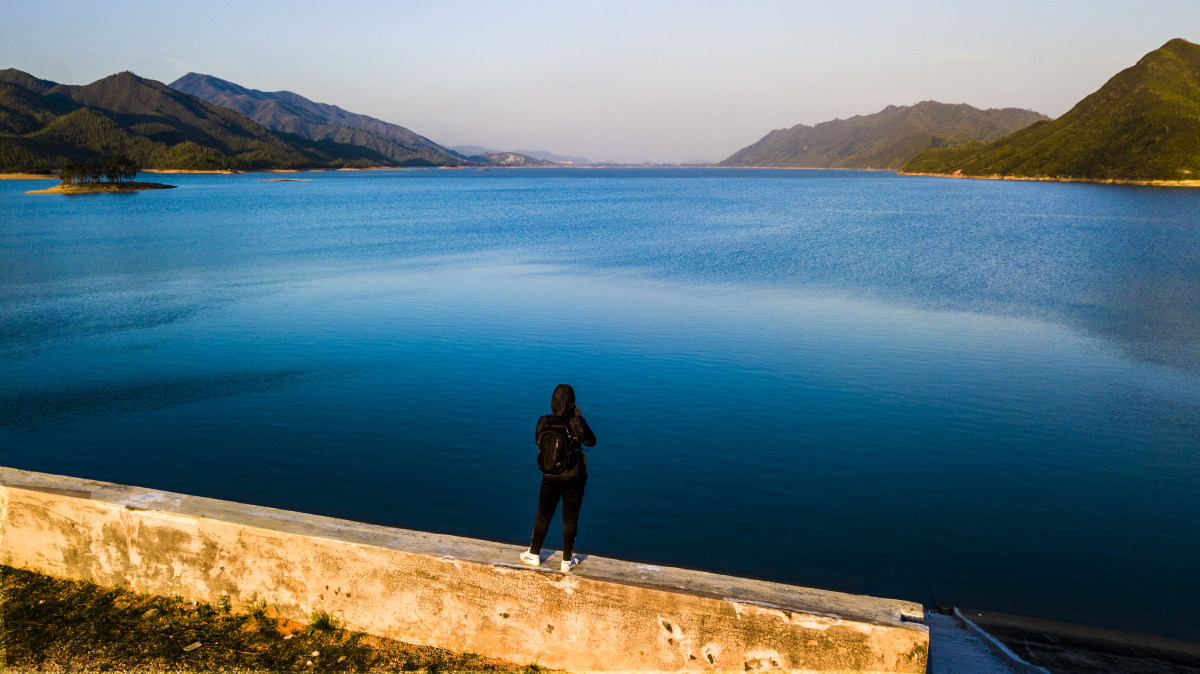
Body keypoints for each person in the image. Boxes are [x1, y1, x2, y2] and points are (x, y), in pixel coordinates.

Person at [520, 384, 596, 572]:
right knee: (570, 518)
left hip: (551, 475)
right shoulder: (574, 422)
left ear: (553, 401)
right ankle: (566, 561)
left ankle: (534, 554)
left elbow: (539, 441)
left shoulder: (543, 420)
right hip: (575, 476)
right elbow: (591, 441)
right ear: (572, 404)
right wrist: (579, 418)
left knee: (543, 515)